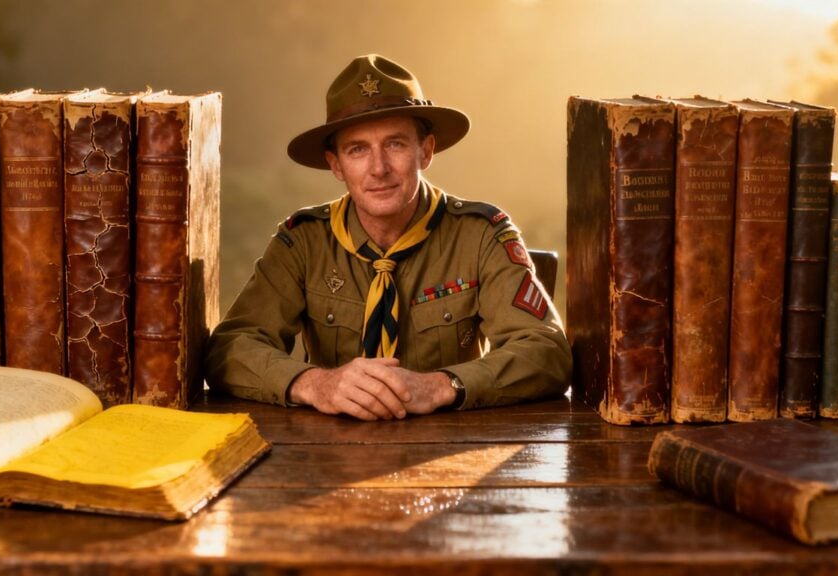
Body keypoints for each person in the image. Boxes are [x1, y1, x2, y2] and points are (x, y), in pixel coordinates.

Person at [205, 54, 571, 420]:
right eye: (358, 149)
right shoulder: (303, 243)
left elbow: (546, 350)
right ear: (336, 165)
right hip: (326, 454)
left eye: (395, 144)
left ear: (425, 151)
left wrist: (442, 386)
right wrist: (316, 384)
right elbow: (230, 347)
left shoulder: (481, 235)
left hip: (452, 444)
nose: (378, 168)